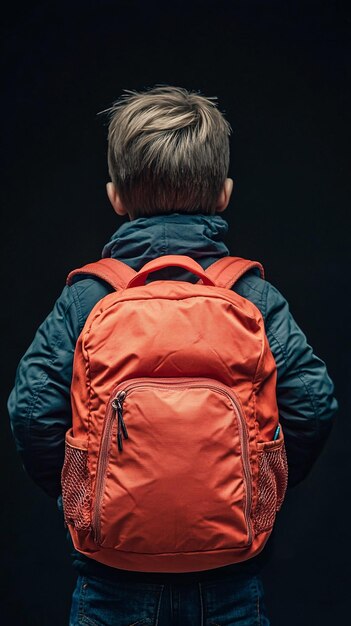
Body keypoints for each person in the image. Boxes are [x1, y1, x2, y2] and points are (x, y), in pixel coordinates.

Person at [8, 85, 338, 625]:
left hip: (109, 579)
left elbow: (30, 413)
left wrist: (91, 491)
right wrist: (255, 486)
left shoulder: (88, 299)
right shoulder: (252, 297)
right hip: (230, 575)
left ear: (115, 197)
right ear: (225, 194)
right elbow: (313, 405)